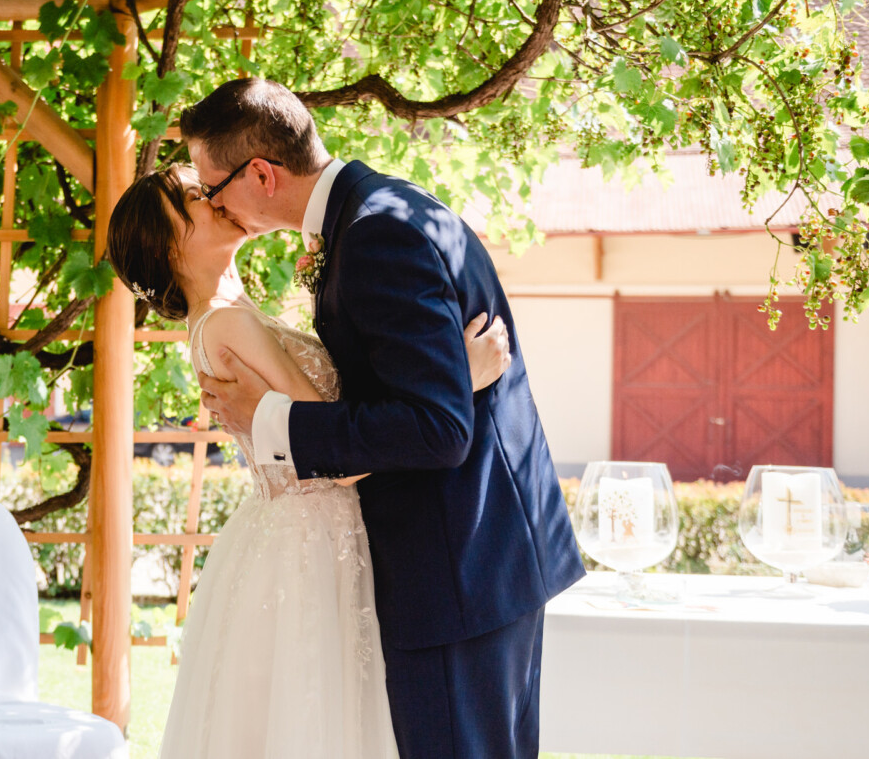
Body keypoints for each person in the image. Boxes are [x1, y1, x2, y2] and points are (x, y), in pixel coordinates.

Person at [183, 78, 586, 758]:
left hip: (455, 569)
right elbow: (429, 392)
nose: (212, 201)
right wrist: (465, 377)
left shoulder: (375, 237)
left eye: (212, 186)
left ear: (260, 173)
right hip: (483, 557)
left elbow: (437, 427)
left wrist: (271, 420)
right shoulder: (387, 206)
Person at [107, 165, 511, 759]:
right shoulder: (228, 324)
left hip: (303, 533)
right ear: (167, 244)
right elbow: (332, 452)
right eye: (193, 198)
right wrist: (460, 380)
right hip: (308, 542)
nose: (213, 198)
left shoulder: (231, 315)